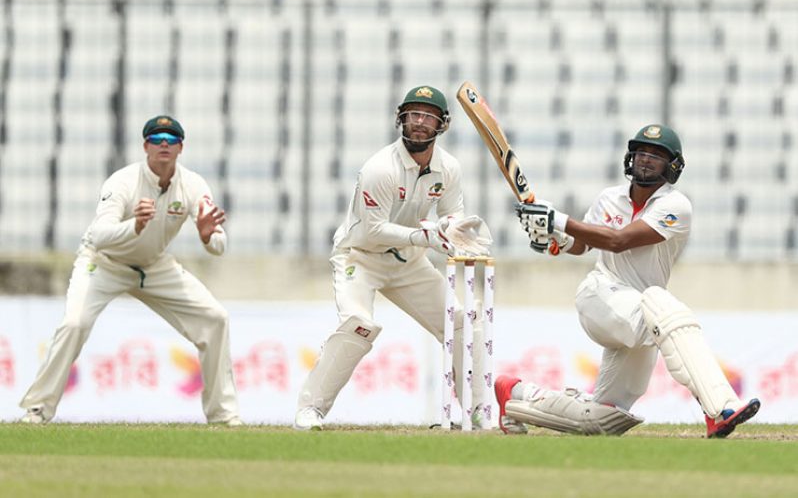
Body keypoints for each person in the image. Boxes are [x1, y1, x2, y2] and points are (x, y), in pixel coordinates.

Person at [494, 124, 760, 438]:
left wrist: (557, 220)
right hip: (600, 297)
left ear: (672, 167)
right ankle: (720, 409)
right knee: (660, 302)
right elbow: (581, 245)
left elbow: (619, 240)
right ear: (630, 158)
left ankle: (516, 395)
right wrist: (556, 239)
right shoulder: (609, 198)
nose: (646, 160)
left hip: (642, 316)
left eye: (656, 156)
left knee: (602, 419)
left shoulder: (676, 206)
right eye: (641, 153)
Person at [19, 115, 241, 426]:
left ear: (181, 148)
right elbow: (98, 235)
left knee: (216, 319)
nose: (164, 143)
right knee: (74, 324)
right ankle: (38, 409)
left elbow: (218, 245)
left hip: (155, 266)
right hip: (103, 263)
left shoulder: (193, 185)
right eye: (157, 138)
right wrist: (134, 226)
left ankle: (224, 416)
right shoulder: (122, 182)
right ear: (145, 145)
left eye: (171, 139)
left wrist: (208, 236)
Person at [294, 85, 493, 430]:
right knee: (358, 324)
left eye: (428, 116)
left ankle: (476, 411)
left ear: (442, 125)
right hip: (361, 256)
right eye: (413, 114)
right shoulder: (380, 168)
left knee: (459, 323)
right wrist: (424, 236)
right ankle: (310, 410)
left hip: (409, 263)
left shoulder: (449, 169)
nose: (419, 122)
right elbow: (372, 231)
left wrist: (454, 232)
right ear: (401, 119)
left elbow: (450, 214)